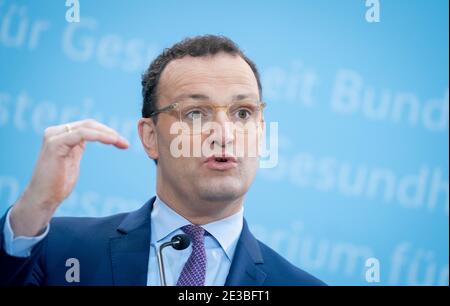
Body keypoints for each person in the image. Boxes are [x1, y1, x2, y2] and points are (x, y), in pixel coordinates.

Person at [0, 35, 325, 286]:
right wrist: (35, 207)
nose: (224, 134)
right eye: (195, 113)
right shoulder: (60, 251)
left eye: (243, 113)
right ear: (150, 137)